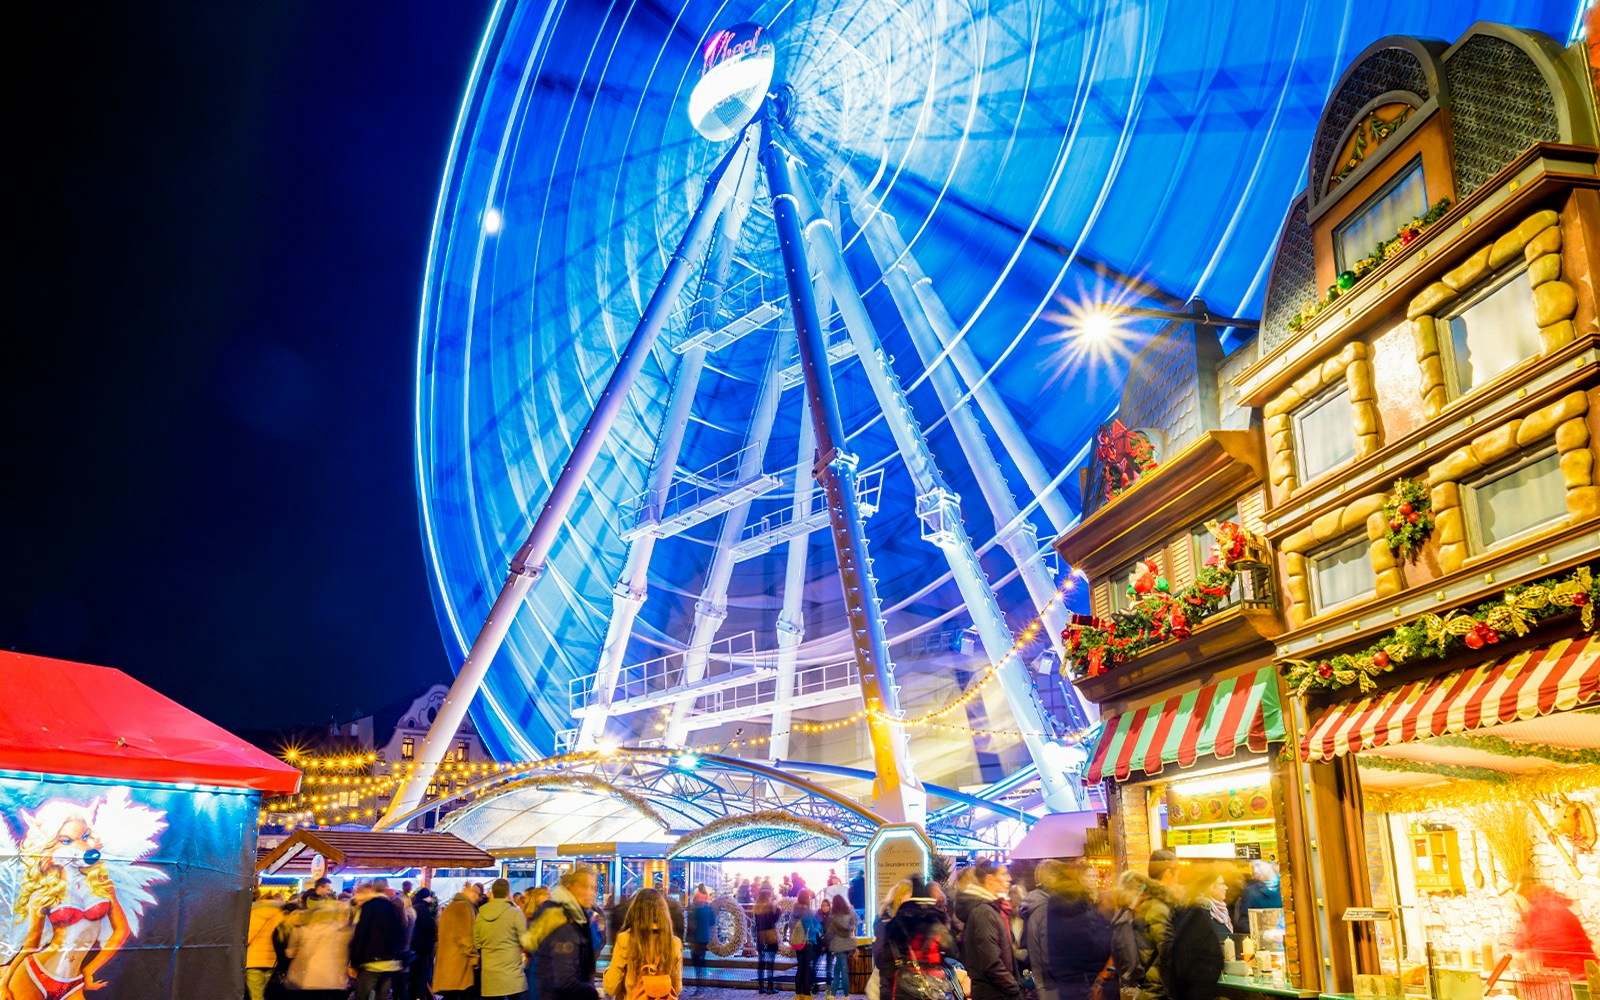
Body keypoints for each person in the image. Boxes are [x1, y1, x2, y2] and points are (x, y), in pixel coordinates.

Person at [1034, 863, 1114, 1000]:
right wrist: (1108, 923)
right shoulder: (1072, 904)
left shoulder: (1056, 904)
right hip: (1083, 984)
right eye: (1089, 875)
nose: (1093, 879)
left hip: (1067, 983)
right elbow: (1093, 947)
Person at [525, 864, 601, 1000]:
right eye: (585, 887)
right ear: (570, 888)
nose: (592, 893)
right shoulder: (563, 923)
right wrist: (593, 993)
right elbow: (564, 980)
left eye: (593, 888)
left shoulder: (576, 918)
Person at [875, 881, 959, 1000]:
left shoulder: (895, 923)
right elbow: (951, 950)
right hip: (933, 981)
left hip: (904, 981)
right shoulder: (935, 922)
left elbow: (885, 958)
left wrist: (893, 977)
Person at [1114, 850, 1180, 1000]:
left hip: (1141, 986)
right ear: (1169, 872)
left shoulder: (1139, 904)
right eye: (1177, 873)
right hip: (1156, 990)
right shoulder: (1157, 907)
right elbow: (1168, 951)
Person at [953, 860, 1022, 1000]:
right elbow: (990, 962)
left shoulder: (992, 909)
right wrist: (1014, 988)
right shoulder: (984, 912)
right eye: (1004, 874)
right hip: (995, 993)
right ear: (990, 879)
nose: (1009, 878)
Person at [603, 887, 683, 1000]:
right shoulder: (674, 943)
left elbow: (611, 987)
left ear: (635, 911)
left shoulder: (625, 939)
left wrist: (608, 971)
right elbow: (677, 988)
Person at [1160, 867, 1227, 1000]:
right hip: (1194, 991)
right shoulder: (1198, 914)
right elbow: (1206, 957)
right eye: (1221, 884)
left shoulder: (1188, 912)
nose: (1226, 887)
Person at [1514, 878, 1599, 975]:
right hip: (1580, 971)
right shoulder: (1554, 911)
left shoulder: (1543, 914)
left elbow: (1547, 946)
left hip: (1572, 973)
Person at [351, 879, 408, 1000]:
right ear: (386, 888)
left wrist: (354, 962)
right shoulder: (394, 908)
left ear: (372, 889)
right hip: (390, 963)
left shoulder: (368, 907)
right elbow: (402, 933)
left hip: (371, 962)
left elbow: (361, 935)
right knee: (383, 996)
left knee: (363, 996)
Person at [286, 898, 355, 998]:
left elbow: (290, 953)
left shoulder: (302, 930)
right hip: (332, 978)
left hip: (308, 978)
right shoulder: (341, 932)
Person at [475, 878, 529, 1000]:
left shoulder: (481, 914)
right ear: (508, 893)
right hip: (513, 973)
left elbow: (477, 942)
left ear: (492, 893)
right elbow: (525, 940)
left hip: (490, 974)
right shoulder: (515, 913)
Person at [433, 887, 480, 1000]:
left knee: (450, 995)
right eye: (477, 894)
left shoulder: (450, 907)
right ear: (471, 893)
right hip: (459, 963)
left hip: (447, 962)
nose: (478, 897)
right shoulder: (465, 907)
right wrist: (475, 958)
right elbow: (466, 937)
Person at [247, 888, 287, 1000]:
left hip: (253, 960)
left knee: (256, 995)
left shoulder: (253, 913)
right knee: (269, 993)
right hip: (272, 961)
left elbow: (247, 938)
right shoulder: (280, 914)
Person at [790, 889, 824, 1000]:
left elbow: (791, 927)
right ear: (807, 899)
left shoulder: (794, 911)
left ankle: (797, 994)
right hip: (808, 942)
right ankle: (807, 994)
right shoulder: (808, 912)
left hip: (797, 942)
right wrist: (819, 930)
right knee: (806, 968)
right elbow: (814, 927)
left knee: (800, 968)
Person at [825, 889, 858, 1000]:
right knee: (838, 969)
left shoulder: (833, 918)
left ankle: (844, 995)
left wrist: (824, 943)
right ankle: (834, 994)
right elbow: (855, 925)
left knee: (842, 970)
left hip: (838, 946)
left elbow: (829, 934)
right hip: (848, 945)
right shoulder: (850, 914)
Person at [407, 888, 439, 1000]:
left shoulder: (415, 908)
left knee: (414, 973)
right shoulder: (423, 910)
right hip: (421, 947)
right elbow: (429, 928)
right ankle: (417, 995)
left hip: (414, 946)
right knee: (420, 974)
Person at [1232, 862, 1281, 931]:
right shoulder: (1250, 892)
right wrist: (1264, 935)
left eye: (1258, 865)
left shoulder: (1288, 886)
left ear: (1271, 864)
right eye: (1253, 867)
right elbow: (1245, 921)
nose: (1255, 870)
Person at [753, 888, 780, 994]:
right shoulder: (769, 907)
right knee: (770, 963)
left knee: (761, 963)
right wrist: (778, 910)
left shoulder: (757, 909)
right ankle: (770, 986)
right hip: (770, 937)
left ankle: (761, 987)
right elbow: (773, 920)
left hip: (760, 937)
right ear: (768, 897)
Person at [687, 888, 714, 994]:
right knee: (701, 962)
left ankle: (700, 987)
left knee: (697, 963)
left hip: (696, 939)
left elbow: (691, 924)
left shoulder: (695, 909)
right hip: (705, 938)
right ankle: (702, 985)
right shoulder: (708, 908)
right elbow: (712, 921)